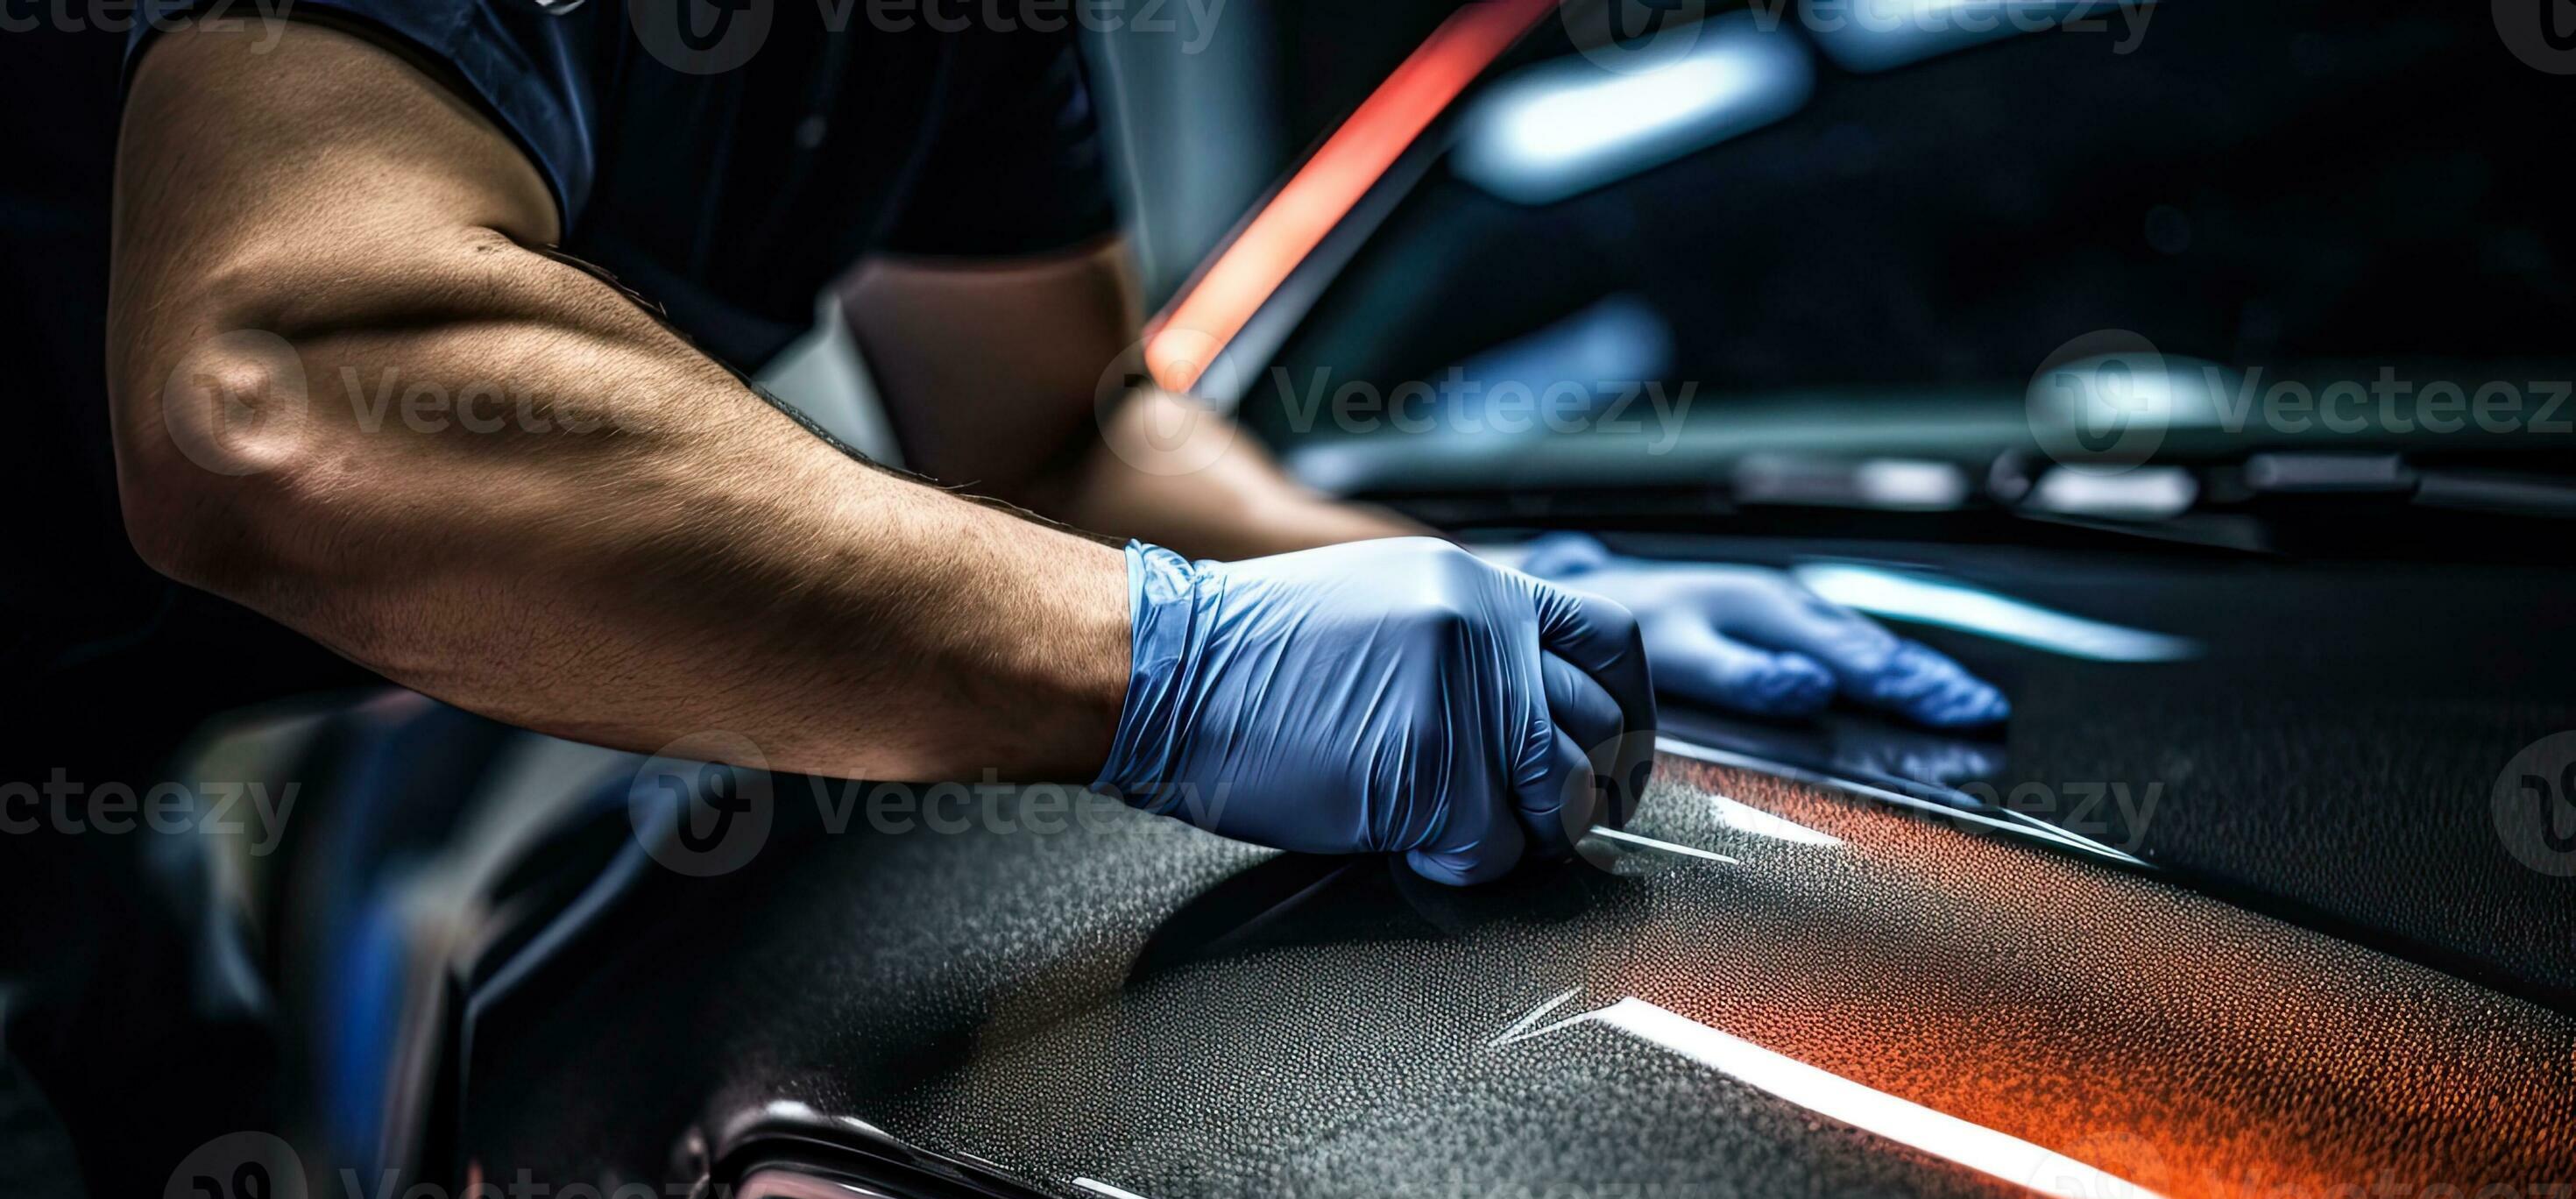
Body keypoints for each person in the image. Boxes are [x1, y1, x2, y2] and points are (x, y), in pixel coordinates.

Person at [105, 3, 2006, 890]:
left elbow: (1059, 442)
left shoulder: (955, 35)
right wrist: (1167, 665)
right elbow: (283, 394)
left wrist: (1499, 586)